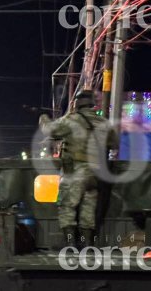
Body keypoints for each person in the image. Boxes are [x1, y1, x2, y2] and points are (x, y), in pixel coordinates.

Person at [39, 90, 118, 248]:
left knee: (67, 206)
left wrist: (43, 119)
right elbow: (114, 143)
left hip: (75, 171)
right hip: (95, 175)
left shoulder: (72, 120)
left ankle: (70, 243)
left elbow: (49, 130)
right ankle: (86, 243)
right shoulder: (103, 123)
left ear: (77, 104)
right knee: (88, 209)